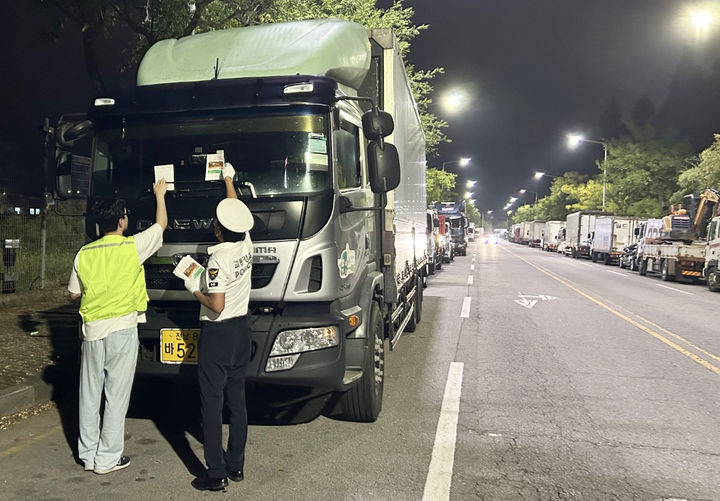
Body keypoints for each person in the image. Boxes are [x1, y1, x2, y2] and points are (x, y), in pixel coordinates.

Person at [68, 178, 168, 474]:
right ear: (122, 221)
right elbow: (161, 225)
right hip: (122, 328)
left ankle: (87, 454)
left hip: (92, 331)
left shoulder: (84, 254)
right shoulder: (132, 247)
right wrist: (159, 196)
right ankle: (107, 459)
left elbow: (74, 293)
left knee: (89, 395)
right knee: (116, 396)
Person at [184, 163, 254, 492]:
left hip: (218, 333)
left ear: (217, 231)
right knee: (236, 401)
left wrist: (192, 286)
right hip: (242, 331)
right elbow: (236, 211)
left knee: (211, 403)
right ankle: (236, 465)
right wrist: (229, 180)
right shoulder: (246, 245)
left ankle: (216, 473)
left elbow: (216, 304)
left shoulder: (217, 260)